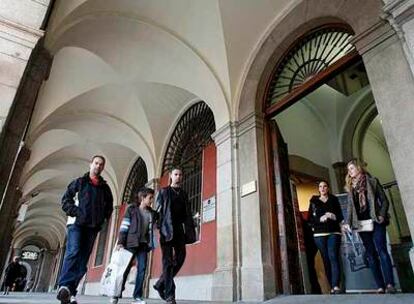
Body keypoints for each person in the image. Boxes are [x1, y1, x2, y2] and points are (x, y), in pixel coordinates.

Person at [57, 155, 113, 304]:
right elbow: (65, 201)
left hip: (93, 226)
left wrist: (102, 219)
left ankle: (70, 291)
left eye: (101, 165)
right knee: (73, 251)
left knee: (82, 261)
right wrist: (76, 212)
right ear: (91, 164)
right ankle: (64, 286)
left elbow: (109, 207)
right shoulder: (79, 183)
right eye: (96, 163)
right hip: (76, 224)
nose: (98, 166)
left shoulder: (105, 188)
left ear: (103, 167)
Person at [342, 159, 396, 294]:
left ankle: (390, 284)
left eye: (352, 168)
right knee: (371, 254)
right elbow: (350, 207)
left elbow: (384, 200)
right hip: (361, 225)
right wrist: (347, 222)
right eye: (348, 169)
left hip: (376, 221)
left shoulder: (372, 181)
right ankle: (380, 286)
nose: (350, 171)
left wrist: (382, 215)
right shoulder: (350, 188)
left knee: (382, 251)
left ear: (359, 168)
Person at [153, 167, 196, 304]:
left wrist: (190, 229)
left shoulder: (183, 194)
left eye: (180, 174)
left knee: (181, 257)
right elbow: (158, 212)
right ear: (171, 176)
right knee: (167, 262)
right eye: (176, 174)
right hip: (166, 230)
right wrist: (160, 227)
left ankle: (161, 283)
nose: (178, 176)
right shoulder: (163, 192)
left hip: (179, 231)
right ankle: (170, 295)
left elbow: (187, 213)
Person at [110, 187, 157, 304]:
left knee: (142, 269)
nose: (152, 200)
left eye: (152, 198)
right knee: (124, 269)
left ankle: (137, 296)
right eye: (150, 198)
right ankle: (116, 294)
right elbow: (124, 226)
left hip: (143, 245)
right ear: (142, 198)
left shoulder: (152, 213)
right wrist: (120, 242)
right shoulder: (132, 210)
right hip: (130, 243)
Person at [308, 180, 344, 294]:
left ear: (328, 188)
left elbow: (340, 215)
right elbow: (310, 219)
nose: (323, 188)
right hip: (319, 234)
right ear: (318, 189)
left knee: (333, 256)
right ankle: (332, 287)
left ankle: (336, 286)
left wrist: (333, 216)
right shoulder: (314, 201)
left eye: (325, 186)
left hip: (334, 231)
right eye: (320, 186)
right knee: (326, 259)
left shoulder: (334, 199)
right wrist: (320, 219)